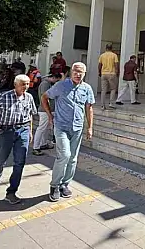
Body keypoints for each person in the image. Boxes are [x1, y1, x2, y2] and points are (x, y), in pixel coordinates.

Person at [41, 62, 94, 202]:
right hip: (61, 126)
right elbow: (44, 97)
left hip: (77, 127)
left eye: (81, 72)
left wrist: (90, 127)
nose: (78, 74)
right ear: (71, 72)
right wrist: (50, 116)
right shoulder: (61, 85)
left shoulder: (87, 88)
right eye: (75, 71)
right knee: (64, 155)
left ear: (85, 73)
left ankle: (65, 184)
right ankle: (55, 185)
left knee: (73, 158)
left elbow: (89, 108)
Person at [0, 75, 36, 205]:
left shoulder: (29, 97)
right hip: (6, 131)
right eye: (23, 84)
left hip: (23, 130)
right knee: (1, 158)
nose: (25, 87)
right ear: (15, 85)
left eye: (27, 84)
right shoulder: (4, 96)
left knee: (20, 162)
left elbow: (30, 115)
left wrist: (30, 131)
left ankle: (11, 192)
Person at [32, 73, 61, 156]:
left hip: (47, 110)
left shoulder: (47, 84)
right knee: (41, 128)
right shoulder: (45, 84)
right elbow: (45, 98)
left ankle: (43, 143)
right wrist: (49, 112)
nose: (56, 82)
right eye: (56, 80)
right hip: (45, 110)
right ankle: (36, 147)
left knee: (45, 128)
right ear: (53, 77)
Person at [98, 44, 119, 110]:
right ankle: (111, 103)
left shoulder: (102, 55)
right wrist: (117, 73)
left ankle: (102, 105)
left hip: (104, 74)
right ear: (111, 48)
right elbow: (116, 65)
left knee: (103, 90)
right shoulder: (114, 55)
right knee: (113, 89)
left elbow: (99, 65)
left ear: (106, 48)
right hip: (112, 73)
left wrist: (99, 72)